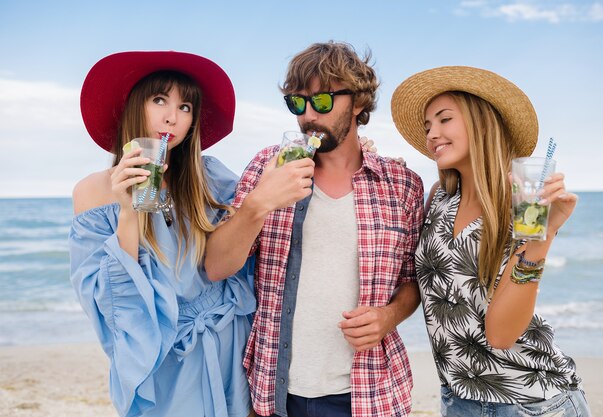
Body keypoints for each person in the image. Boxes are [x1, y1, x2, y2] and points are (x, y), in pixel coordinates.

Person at [204, 41, 424, 417]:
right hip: (274, 393)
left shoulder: (402, 184)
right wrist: (258, 204)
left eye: (322, 101)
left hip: (369, 394)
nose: (308, 116)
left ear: (357, 102)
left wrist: (388, 317)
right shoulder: (265, 167)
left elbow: (414, 280)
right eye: (297, 103)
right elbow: (215, 267)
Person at [390, 66, 591, 416]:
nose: (432, 134)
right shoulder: (439, 199)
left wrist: (543, 237)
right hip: (459, 400)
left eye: (444, 120)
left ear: (481, 124)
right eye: (427, 126)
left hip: (533, 403)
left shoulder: (523, 205)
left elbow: (500, 335)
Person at [69, 51, 260, 417]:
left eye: (185, 106)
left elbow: (264, 219)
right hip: (164, 354)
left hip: (230, 339)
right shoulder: (93, 191)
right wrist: (127, 211)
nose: (173, 116)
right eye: (160, 100)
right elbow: (111, 305)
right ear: (133, 106)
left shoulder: (209, 177)